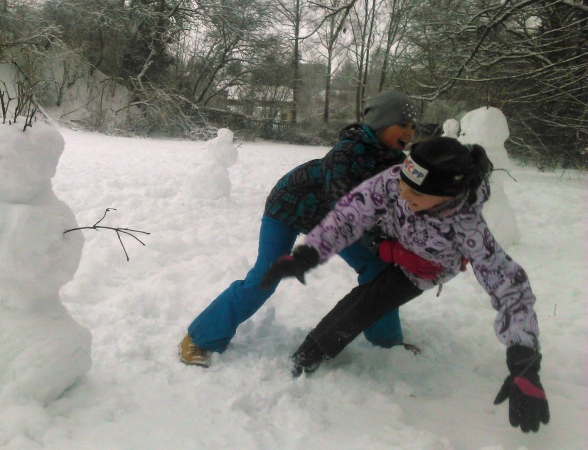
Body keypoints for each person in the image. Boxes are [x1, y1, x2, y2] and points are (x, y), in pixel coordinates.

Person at [261, 137, 549, 433]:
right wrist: (307, 255)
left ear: (448, 194)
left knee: (367, 302)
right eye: (403, 185)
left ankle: (310, 354)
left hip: (421, 268)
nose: (402, 194)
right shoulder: (400, 179)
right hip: (388, 236)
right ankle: (311, 351)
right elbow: (352, 213)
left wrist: (524, 361)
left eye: (415, 194)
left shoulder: (467, 227)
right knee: (365, 292)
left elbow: (510, 288)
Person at [179, 89, 442, 368]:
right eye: (402, 124)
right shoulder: (346, 154)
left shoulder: (397, 161)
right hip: (288, 207)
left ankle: (385, 340)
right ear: (381, 123)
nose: (410, 132)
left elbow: (408, 200)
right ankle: (200, 338)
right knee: (265, 276)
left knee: (378, 272)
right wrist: (385, 244)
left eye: (413, 126)